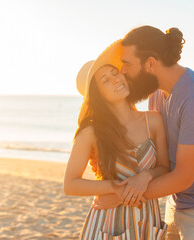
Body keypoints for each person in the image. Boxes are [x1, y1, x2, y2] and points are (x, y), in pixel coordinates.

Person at [94, 26, 194, 240]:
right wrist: (144, 175)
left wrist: (119, 197)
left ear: (151, 63)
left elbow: (183, 177)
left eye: (127, 64)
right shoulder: (157, 94)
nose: (123, 71)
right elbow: (161, 159)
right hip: (175, 204)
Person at [64, 40, 169, 240]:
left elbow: (165, 168)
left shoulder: (153, 121)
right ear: (98, 95)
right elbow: (70, 184)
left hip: (148, 224)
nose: (116, 80)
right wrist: (113, 189)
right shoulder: (91, 132)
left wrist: (144, 177)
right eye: (105, 80)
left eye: (115, 73)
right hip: (108, 225)